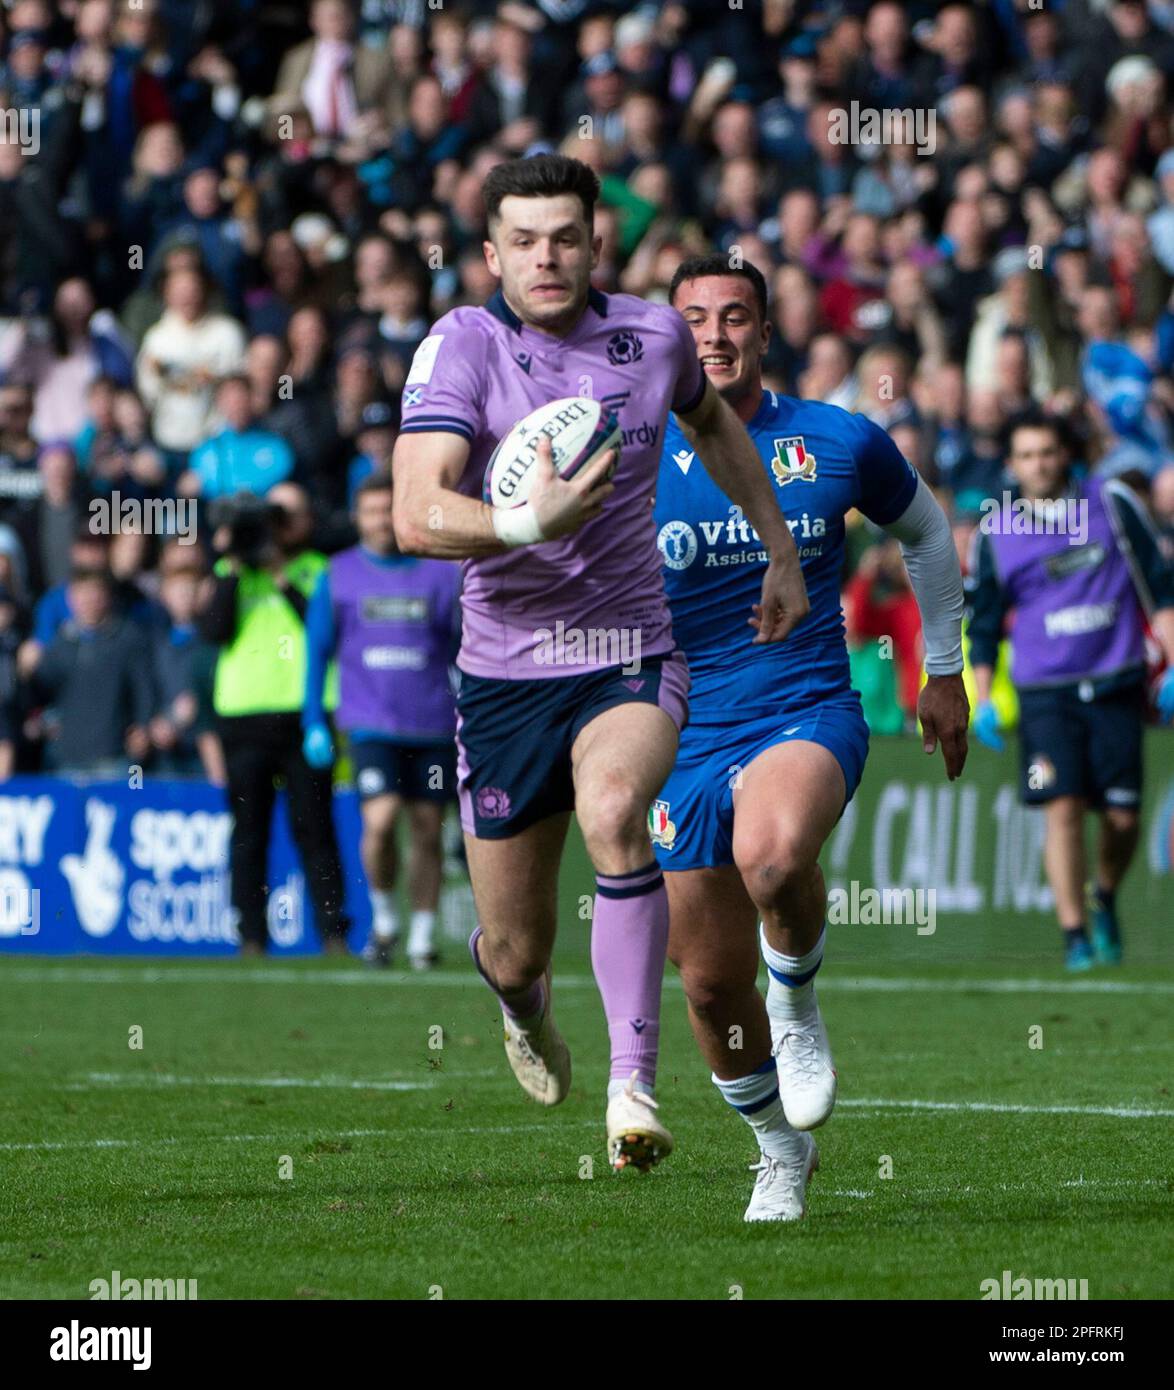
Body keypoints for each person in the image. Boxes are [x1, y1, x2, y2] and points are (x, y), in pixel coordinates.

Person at [391, 154, 809, 1171]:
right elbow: (415, 511)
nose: (546, 257)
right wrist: (527, 519)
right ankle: (524, 1010)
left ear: (596, 243)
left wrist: (779, 545)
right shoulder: (462, 347)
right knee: (515, 945)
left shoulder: (652, 338)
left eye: (565, 237)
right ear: (491, 253)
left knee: (619, 808)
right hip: (501, 677)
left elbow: (716, 430)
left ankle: (632, 1088)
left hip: (628, 651)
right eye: (524, 241)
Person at [653, 255, 969, 1220]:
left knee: (774, 851)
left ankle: (794, 1000)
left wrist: (945, 670)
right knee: (707, 988)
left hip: (804, 706)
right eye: (695, 318)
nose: (714, 334)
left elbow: (927, 531)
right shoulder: (630, 455)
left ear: (765, 333)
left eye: (734, 316)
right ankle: (778, 1152)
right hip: (677, 733)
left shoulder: (835, 440)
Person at [968, 416, 1174, 969]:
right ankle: (1075, 935)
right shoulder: (997, 532)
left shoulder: (1111, 504)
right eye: (1026, 455)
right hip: (1043, 693)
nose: (1038, 464)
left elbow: (1157, 586)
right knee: (1061, 808)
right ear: (1012, 465)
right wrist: (984, 700)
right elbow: (984, 624)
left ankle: (1103, 895)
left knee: (1123, 818)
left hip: (1115, 680)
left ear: (1066, 456)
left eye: (1047, 452)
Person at [303, 473, 460, 970]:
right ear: (357, 516)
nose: (378, 519)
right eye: (369, 510)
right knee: (381, 818)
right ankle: (384, 916)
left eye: (386, 509)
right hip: (370, 724)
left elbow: (462, 650)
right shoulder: (338, 574)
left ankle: (421, 936)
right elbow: (317, 654)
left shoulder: (441, 573)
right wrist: (313, 720)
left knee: (428, 829)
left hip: (433, 722)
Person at [197, 482, 349, 956]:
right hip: (243, 717)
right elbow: (213, 630)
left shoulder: (315, 569)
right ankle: (251, 935)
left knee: (315, 827)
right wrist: (233, 563)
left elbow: (321, 627)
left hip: (305, 716)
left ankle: (332, 931)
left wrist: (280, 573)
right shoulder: (230, 572)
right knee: (249, 831)